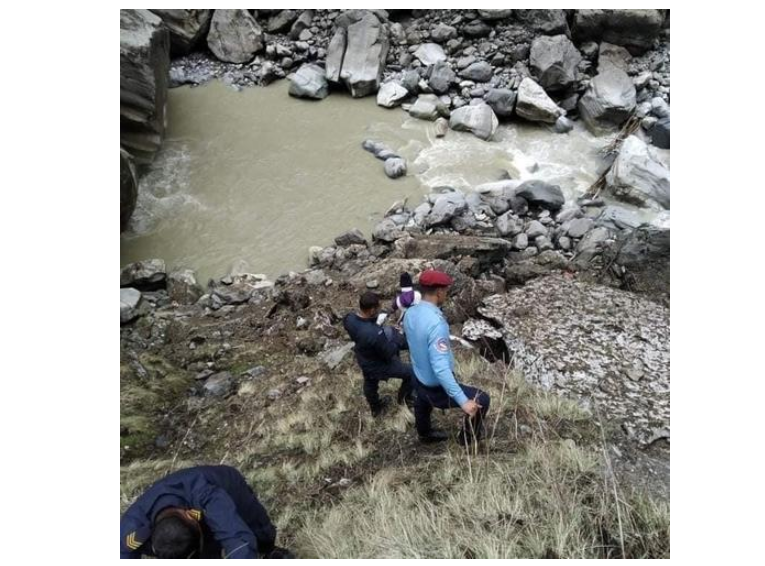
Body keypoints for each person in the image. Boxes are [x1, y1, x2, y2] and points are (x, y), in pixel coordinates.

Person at [120, 465, 293, 559]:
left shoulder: (208, 496)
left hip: (229, 487)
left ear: (191, 517)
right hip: (188, 528)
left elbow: (237, 538)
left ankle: (269, 550)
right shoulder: (132, 528)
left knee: (260, 534)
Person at [403, 270, 491, 445]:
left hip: (418, 372)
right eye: (446, 289)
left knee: (422, 400)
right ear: (439, 292)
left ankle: (425, 434)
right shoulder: (436, 323)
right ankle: (467, 439)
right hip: (434, 385)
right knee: (482, 399)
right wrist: (463, 401)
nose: (447, 293)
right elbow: (441, 368)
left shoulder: (410, 311)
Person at [343, 291, 415, 416]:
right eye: (378, 308)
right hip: (378, 364)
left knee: (370, 382)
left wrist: (375, 322)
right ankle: (403, 399)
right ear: (371, 310)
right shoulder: (374, 334)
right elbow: (389, 353)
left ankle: (375, 409)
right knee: (411, 373)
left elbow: (360, 326)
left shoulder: (349, 319)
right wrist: (395, 340)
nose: (379, 309)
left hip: (364, 358)